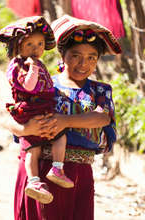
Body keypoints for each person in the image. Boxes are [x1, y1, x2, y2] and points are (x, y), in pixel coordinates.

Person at [7, 14, 122, 220]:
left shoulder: (100, 91)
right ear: (62, 55)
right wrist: (26, 130)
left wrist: (65, 120)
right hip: (41, 173)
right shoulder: (42, 86)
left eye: (91, 57)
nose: (83, 63)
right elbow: (10, 117)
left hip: (79, 175)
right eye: (76, 55)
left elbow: (102, 118)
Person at [0, 16, 74, 205]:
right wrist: (32, 69)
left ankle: (57, 168)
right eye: (30, 44)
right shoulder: (19, 66)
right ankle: (34, 181)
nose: (36, 49)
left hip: (44, 107)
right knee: (32, 147)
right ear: (17, 45)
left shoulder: (37, 64)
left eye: (40, 44)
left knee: (59, 135)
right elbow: (30, 87)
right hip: (31, 109)